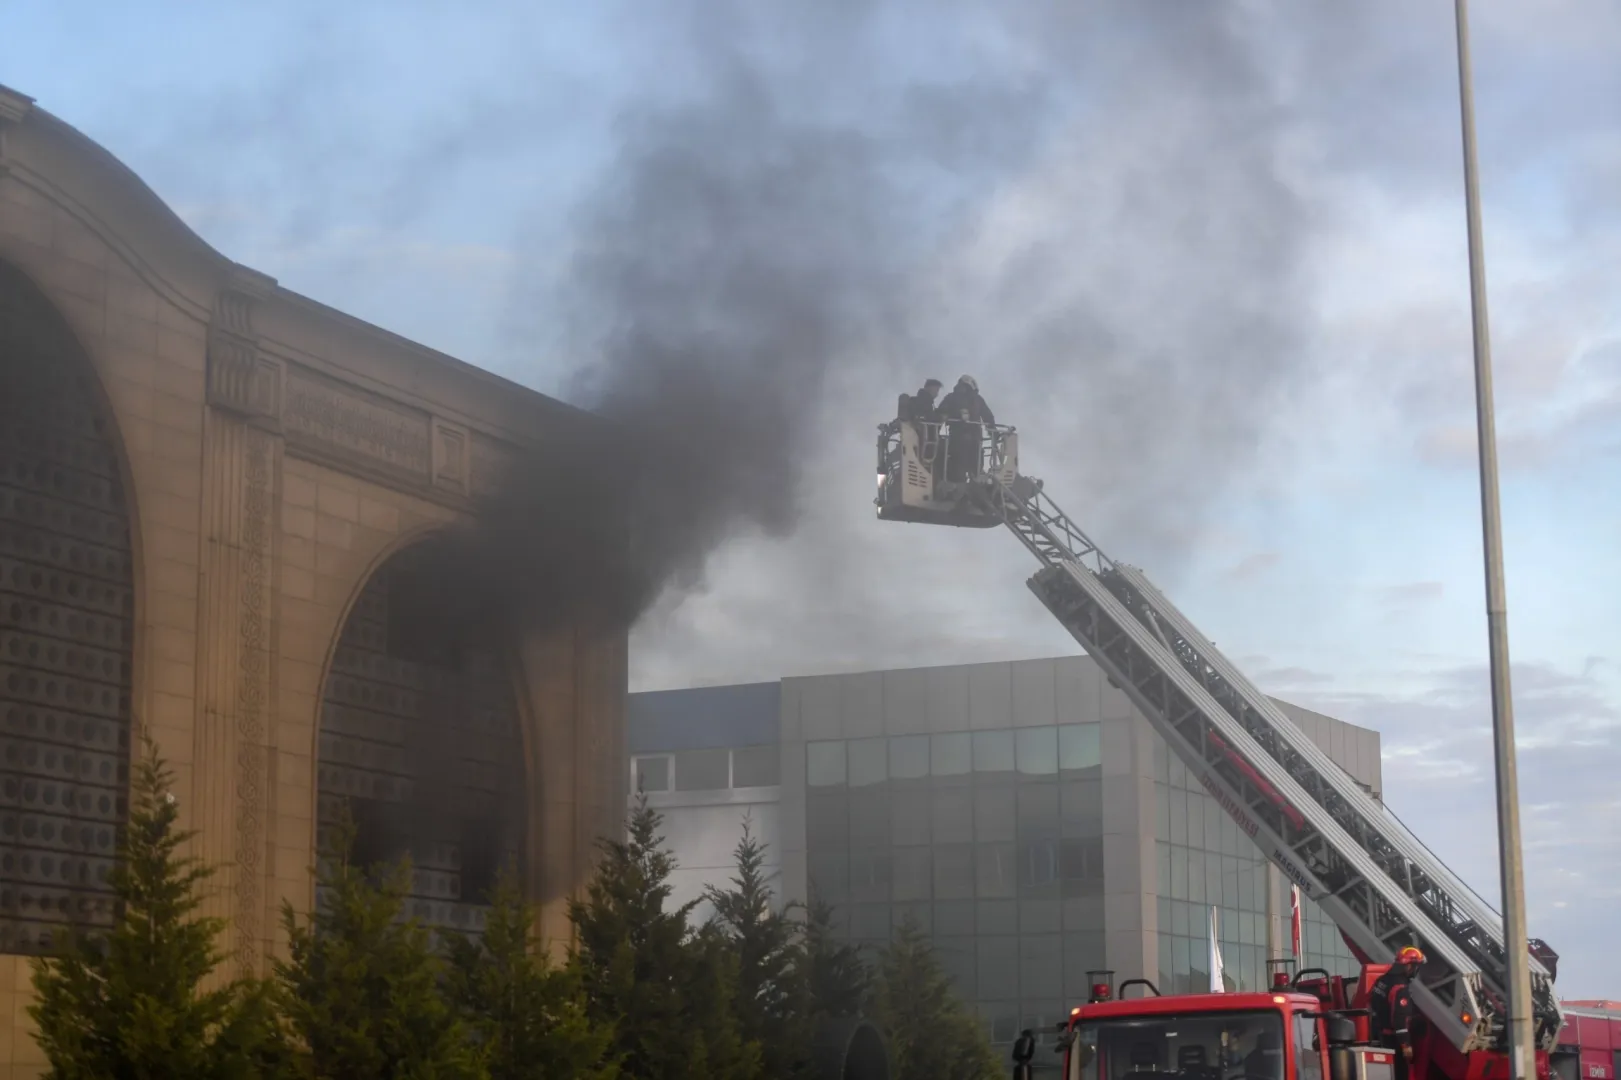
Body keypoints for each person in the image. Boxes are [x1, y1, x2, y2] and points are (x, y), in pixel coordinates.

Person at [1371, 946, 1425, 1078]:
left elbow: (1373, 1004)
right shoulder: (1400, 988)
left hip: (1378, 1034)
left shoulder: (1382, 980)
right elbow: (1400, 1020)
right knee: (1400, 1074)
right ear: (1409, 966)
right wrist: (1406, 1045)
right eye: (1416, 967)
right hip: (1393, 1041)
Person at [938, 374, 995, 481]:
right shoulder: (976, 399)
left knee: (966, 464)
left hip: (965, 439)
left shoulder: (952, 398)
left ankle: (970, 481)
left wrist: (993, 432)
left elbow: (941, 414)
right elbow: (988, 417)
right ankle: (970, 481)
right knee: (966, 464)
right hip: (967, 439)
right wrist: (993, 432)